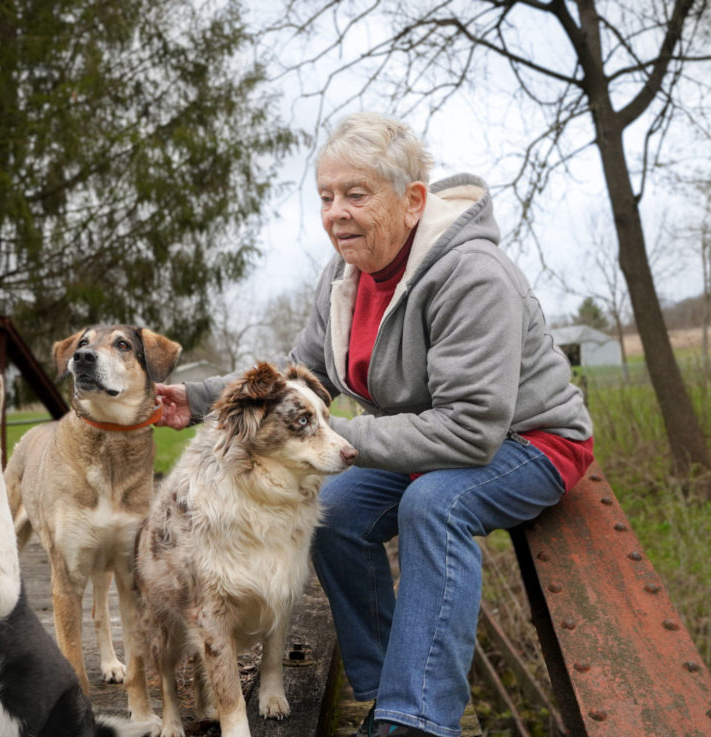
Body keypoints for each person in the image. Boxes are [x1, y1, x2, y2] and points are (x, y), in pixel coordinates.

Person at [155, 111, 594, 737]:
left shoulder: (472, 275)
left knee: (434, 506)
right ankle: (387, 682)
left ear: (413, 201)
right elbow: (301, 379)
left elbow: (472, 430)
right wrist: (199, 399)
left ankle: (414, 718)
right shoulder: (343, 276)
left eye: (356, 194)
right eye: (326, 197)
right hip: (425, 438)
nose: (336, 213)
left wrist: (324, 440)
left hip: (528, 441)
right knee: (334, 510)